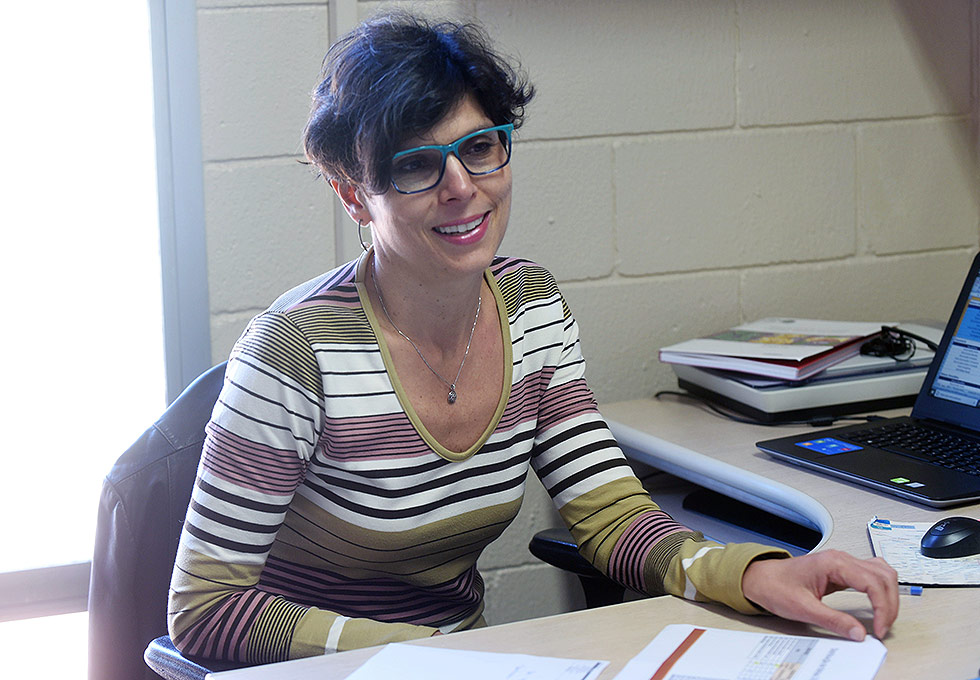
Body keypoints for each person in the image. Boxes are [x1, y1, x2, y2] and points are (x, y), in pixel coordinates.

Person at [168, 11, 898, 666]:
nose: (461, 186)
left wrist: (752, 572)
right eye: (418, 164)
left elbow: (612, 518)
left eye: (481, 147)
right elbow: (203, 612)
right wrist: (431, 653)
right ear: (354, 192)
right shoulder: (294, 351)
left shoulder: (530, 305)